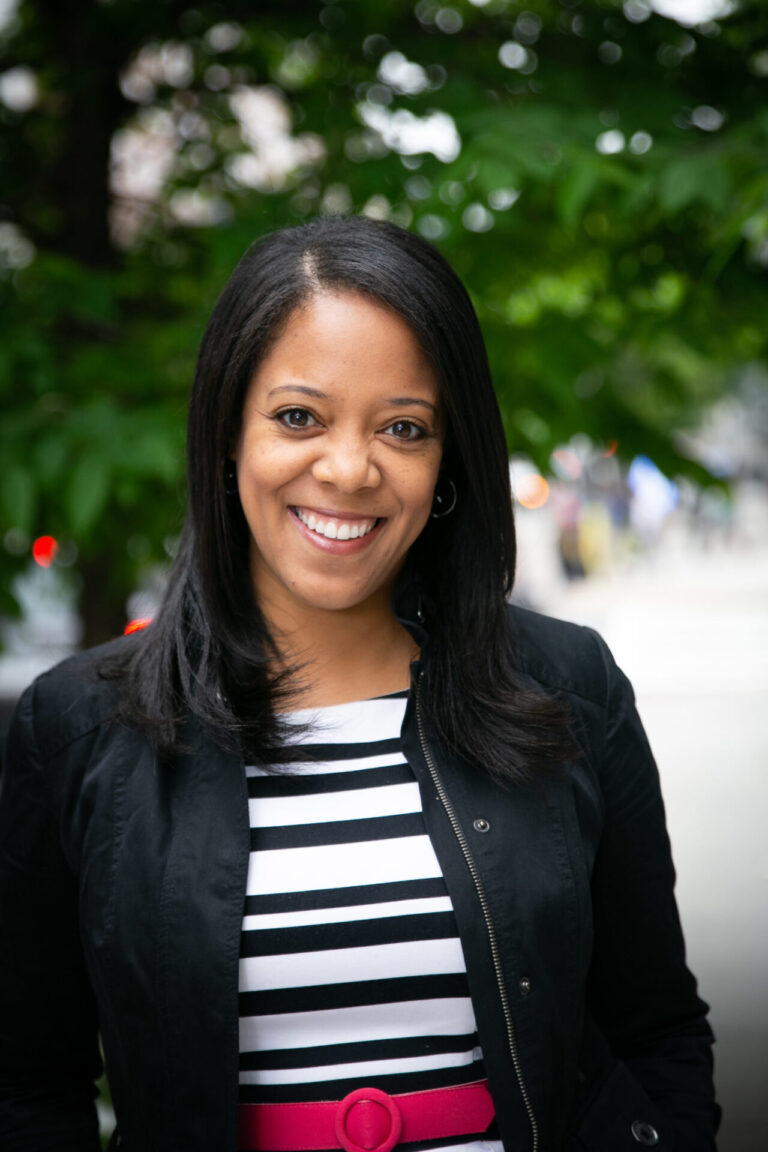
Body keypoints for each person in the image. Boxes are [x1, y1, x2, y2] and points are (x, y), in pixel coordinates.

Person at [0, 216, 718, 1152]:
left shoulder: (570, 690)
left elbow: (656, 1030)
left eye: (403, 428)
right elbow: (24, 1084)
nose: (348, 469)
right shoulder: (78, 729)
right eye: (299, 416)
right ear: (227, 431)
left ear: (447, 458)